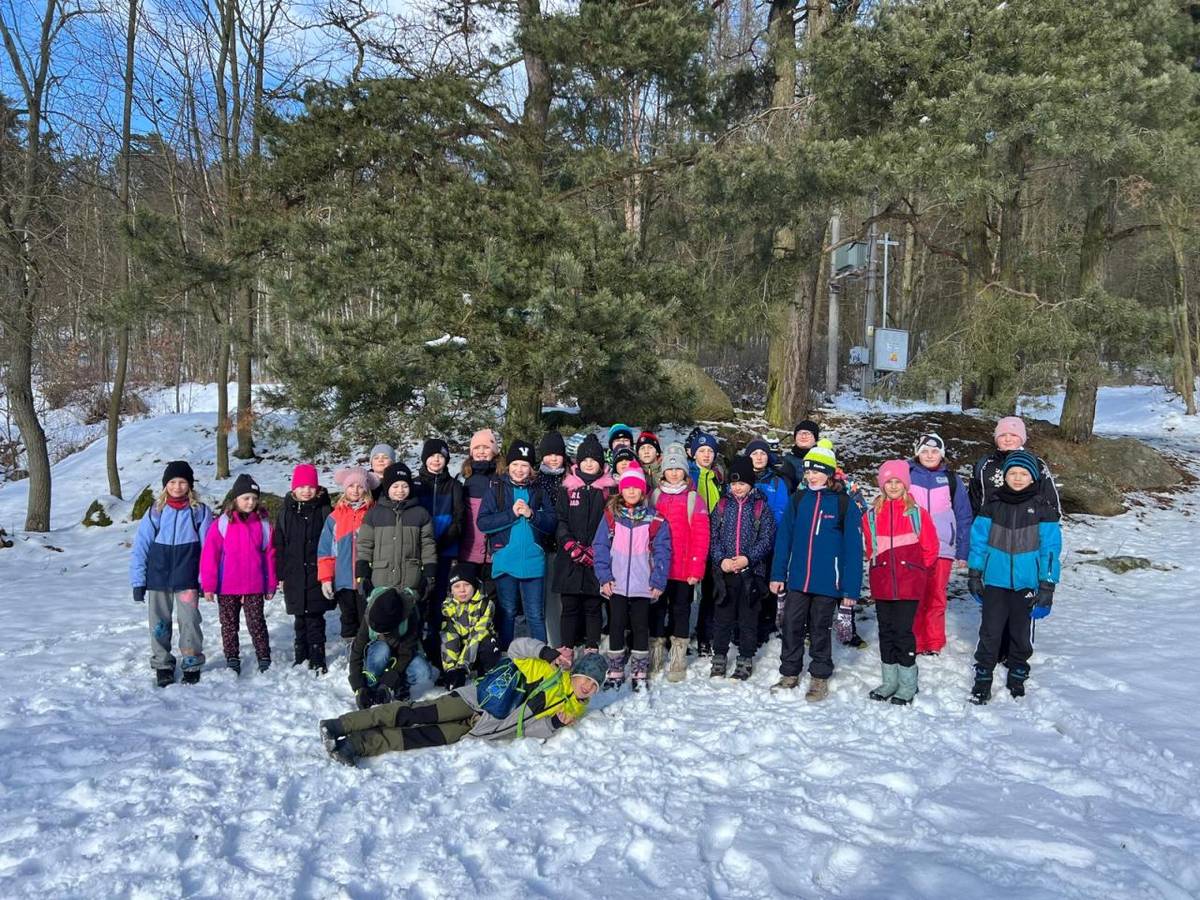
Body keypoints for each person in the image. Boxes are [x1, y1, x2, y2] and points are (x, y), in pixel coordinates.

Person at [320, 639, 607, 764]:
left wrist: (554, 724)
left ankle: (354, 746)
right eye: (586, 679)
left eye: (594, 686)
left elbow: (526, 728)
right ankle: (339, 725)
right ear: (576, 673)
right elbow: (516, 648)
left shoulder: (572, 710)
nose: (586, 687)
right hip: (473, 701)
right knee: (412, 714)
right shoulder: (550, 671)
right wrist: (545, 652)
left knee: (415, 737)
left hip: (479, 729)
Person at [769, 440, 863, 701]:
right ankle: (789, 672)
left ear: (829, 473)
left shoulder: (844, 504)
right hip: (798, 578)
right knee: (791, 625)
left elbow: (854, 550)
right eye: (808, 471)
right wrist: (778, 574)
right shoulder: (799, 499)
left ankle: (819, 676)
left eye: (817, 471)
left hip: (828, 581)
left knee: (820, 629)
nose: (811, 476)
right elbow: (784, 539)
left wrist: (850, 589)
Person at [967, 451, 1061, 704]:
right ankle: (983, 675)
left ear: (1033, 478)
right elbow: (978, 542)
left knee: (1020, 632)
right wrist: (975, 573)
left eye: (1023, 474)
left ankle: (1018, 671)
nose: (1018, 478)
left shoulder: (1043, 509)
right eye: (1013, 473)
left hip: (1027, 582)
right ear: (1005, 476)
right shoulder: (992, 505)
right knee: (990, 631)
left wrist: (1047, 585)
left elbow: (1050, 550)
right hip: (995, 581)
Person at [130, 460, 214, 686]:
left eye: (182, 482)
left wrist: (206, 579)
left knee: (190, 621)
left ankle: (191, 661)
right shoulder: (156, 511)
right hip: (158, 578)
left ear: (190, 485)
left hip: (187, 578)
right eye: (173, 482)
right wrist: (138, 581)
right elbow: (141, 547)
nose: (177, 487)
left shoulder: (199, 512)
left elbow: (209, 549)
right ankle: (163, 664)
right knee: (159, 624)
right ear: (165, 485)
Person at [863, 460, 939, 705]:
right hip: (882, 582)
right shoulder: (872, 515)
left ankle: (907, 684)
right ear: (882, 485)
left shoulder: (917, 514)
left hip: (909, 584)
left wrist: (916, 571)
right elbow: (870, 548)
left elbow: (930, 548)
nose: (893, 486)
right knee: (886, 631)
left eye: (898, 481)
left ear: (906, 484)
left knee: (903, 632)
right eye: (889, 482)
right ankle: (889, 681)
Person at [593, 463, 672, 690]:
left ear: (643, 491)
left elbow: (663, 552)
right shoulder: (611, 517)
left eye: (636, 487)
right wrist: (604, 577)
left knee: (640, 626)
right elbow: (600, 547)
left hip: (642, 584)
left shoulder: (655, 520)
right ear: (621, 490)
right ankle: (615, 669)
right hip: (616, 583)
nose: (631, 491)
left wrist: (658, 580)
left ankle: (639, 671)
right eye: (627, 487)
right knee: (616, 625)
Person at [478, 440, 558, 647]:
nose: (519, 469)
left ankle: (541, 657)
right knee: (508, 611)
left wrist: (532, 515)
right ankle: (505, 655)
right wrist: (511, 514)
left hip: (533, 562)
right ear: (508, 466)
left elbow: (551, 523)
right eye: (515, 464)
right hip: (505, 560)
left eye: (524, 465)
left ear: (531, 468)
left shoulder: (539, 491)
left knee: (535, 614)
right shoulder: (496, 488)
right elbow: (483, 522)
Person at [200, 474, 278, 675]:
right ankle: (232, 657)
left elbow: (270, 556)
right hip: (227, 586)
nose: (250, 502)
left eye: (254, 498)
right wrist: (208, 585)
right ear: (235, 499)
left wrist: (271, 584)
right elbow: (210, 556)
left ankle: (264, 656)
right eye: (246, 498)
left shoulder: (263, 524)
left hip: (254, 585)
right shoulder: (222, 524)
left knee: (256, 622)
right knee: (229, 624)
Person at [708, 457, 777, 680]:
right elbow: (713, 537)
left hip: (751, 574)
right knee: (722, 617)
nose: (737, 488)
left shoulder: (760, 507)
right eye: (734, 483)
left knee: (748, 618)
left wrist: (748, 559)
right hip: (726, 573)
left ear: (750, 484)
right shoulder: (722, 506)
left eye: (742, 483)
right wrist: (721, 560)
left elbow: (767, 539)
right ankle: (719, 656)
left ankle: (745, 657)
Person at [907, 433, 973, 655]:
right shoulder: (907, 475)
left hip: (943, 548)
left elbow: (963, 515)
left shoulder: (951, 479)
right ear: (917, 453)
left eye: (935, 451)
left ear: (942, 454)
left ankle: (934, 642)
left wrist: (962, 550)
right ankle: (916, 641)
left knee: (936, 595)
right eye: (924, 451)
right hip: (913, 547)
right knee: (915, 595)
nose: (929, 455)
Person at [650, 443, 709, 682]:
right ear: (663, 471)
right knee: (656, 610)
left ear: (685, 471)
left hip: (683, 568)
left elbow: (701, 537)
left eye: (678, 469)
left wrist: (696, 568)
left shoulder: (694, 499)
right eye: (670, 469)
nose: (674, 473)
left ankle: (678, 656)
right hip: (658, 568)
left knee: (681, 611)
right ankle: (655, 654)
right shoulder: (655, 496)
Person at [555, 435, 616, 654]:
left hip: (596, 557)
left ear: (601, 463)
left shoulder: (608, 491)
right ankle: (566, 649)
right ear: (578, 462)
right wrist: (570, 544)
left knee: (593, 606)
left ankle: (591, 648)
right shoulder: (568, 488)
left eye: (594, 460)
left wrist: (597, 549)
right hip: (569, 558)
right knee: (569, 606)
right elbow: (560, 519)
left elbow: (612, 522)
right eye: (585, 460)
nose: (589, 464)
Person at [274, 464, 333, 673]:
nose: (306, 491)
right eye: (301, 487)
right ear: (294, 488)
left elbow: (332, 543)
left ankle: (317, 656)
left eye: (310, 487)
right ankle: (301, 654)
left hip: (317, 574)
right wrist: (281, 574)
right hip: (295, 574)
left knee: (315, 618)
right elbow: (279, 545)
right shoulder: (285, 513)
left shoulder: (325, 511)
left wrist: (329, 573)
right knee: (299, 618)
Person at [413, 438, 465, 666]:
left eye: (441, 457)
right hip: (418, 552)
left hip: (445, 551)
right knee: (419, 597)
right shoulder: (415, 485)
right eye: (432, 456)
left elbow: (459, 519)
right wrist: (423, 545)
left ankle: (437, 647)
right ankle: (415, 645)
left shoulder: (454, 486)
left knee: (440, 599)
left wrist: (441, 543)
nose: (436, 460)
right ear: (425, 458)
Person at [355, 462, 437, 604]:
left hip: (411, 580)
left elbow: (428, 545)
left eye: (405, 486)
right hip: (380, 580)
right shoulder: (374, 514)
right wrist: (362, 573)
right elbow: (364, 545)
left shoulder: (421, 514)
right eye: (395, 486)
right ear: (387, 487)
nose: (400, 490)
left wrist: (429, 574)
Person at [318, 466, 379, 644]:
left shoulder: (374, 514)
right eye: (351, 486)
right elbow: (325, 550)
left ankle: (367, 650)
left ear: (366, 489)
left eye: (360, 486)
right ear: (345, 488)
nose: (355, 490)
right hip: (343, 579)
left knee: (367, 617)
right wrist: (326, 578)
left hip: (367, 578)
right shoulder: (334, 518)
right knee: (348, 617)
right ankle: (351, 650)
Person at [744, 438, 794, 646]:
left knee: (767, 584)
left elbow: (781, 512)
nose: (759, 457)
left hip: (769, 542)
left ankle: (767, 624)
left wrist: (770, 538)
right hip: (745, 544)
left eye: (762, 454)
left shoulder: (777, 481)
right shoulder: (741, 478)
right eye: (754, 454)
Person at [969, 416, 1060, 515]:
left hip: (1028, 522)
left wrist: (1052, 521)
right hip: (988, 521)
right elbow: (972, 499)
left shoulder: (1036, 463)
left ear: (1022, 438)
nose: (1008, 439)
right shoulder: (984, 464)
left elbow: (1050, 498)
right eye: (1002, 435)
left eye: (1013, 435)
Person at [348, 586, 420, 709]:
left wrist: (389, 682)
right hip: (378, 650)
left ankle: (399, 684)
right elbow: (357, 651)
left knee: (422, 673)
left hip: (400, 654)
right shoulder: (371, 611)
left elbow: (406, 653)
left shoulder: (410, 616)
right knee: (382, 650)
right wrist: (358, 687)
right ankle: (371, 683)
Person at [688, 431, 724, 656]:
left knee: (711, 591)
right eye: (702, 451)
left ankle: (705, 636)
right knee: (683, 594)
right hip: (692, 540)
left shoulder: (717, 478)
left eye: (710, 451)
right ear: (694, 454)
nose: (706, 455)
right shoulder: (689, 475)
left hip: (714, 541)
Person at [458, 429, 503, 604]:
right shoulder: (465, 478)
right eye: (477, 448)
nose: (481, 451)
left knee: (493, 599)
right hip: (469, 550)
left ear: (494, 451)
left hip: (494, 550)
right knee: (469, 598)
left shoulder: (502, 478)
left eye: (486, 447)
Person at [534, 432, 570, 647]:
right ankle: (553, 642)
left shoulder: (570, 478)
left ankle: (569, 640)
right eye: (549, 454)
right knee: (549, 596)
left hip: (567, 544)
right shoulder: (536, 479)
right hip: (544, 544)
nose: (554, 459)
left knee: (565, 597)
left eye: (558, 454)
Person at [440, 568, 501, 689]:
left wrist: (462, 668)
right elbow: (449, 637)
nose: (462, 590)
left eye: (467, 585)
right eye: (457, 586)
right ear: (451, 590)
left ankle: (487, 675)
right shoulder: (447, 607)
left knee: (489, 643)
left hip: (479, 648)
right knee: (443, 636)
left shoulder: (486, 604)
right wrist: (451, 669)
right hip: (460, 650)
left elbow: (478, 634)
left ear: (474, 585)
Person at [781, 420, 821, 486]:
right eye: (800, 433)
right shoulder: (786, 460)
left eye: (808, 433)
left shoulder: (824, 459)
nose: (803, 437)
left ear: (815, 438)